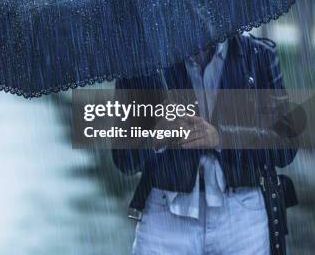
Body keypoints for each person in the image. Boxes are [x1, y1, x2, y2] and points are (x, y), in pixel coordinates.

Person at [112, 34, 298, 255]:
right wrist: (156, 136)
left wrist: (221, 137)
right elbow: (124, 158)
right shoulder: (143, 63)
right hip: (165, 212)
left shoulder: (258, 55)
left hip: (242, 214)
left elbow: (285, 146)